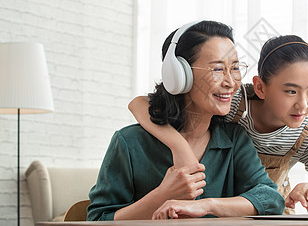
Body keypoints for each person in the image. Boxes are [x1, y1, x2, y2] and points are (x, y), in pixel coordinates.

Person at [87, 21, 285, 221]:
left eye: (234, 68)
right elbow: (97, 220)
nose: (231, 82)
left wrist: (206, 205)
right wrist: (162, 196)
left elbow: (271, 199)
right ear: (179, 75)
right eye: (217, 69)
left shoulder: (234, 140)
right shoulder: (129, 142)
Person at [129, 34, 308, 214]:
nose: (303, 104)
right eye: (291, 91)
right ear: (260, 88)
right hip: (225, 207)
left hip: (269, 208)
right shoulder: (234, 102)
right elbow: (139, 103)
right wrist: (180, 146)